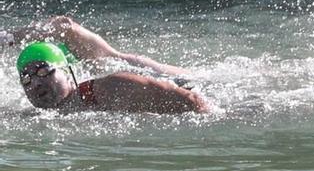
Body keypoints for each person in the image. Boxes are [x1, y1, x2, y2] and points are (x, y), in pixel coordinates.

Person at [17, 41, 211, 115]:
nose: (35, 82)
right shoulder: (31, 117)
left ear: (68, 73)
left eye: (43, 71)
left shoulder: (108, 89)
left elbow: (192, 100)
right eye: (26, 79)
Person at [2, 14, 192, 78]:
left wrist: (8, 38)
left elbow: (64, 25)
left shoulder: (104, 62)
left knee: (195, 80)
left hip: (133, 67)